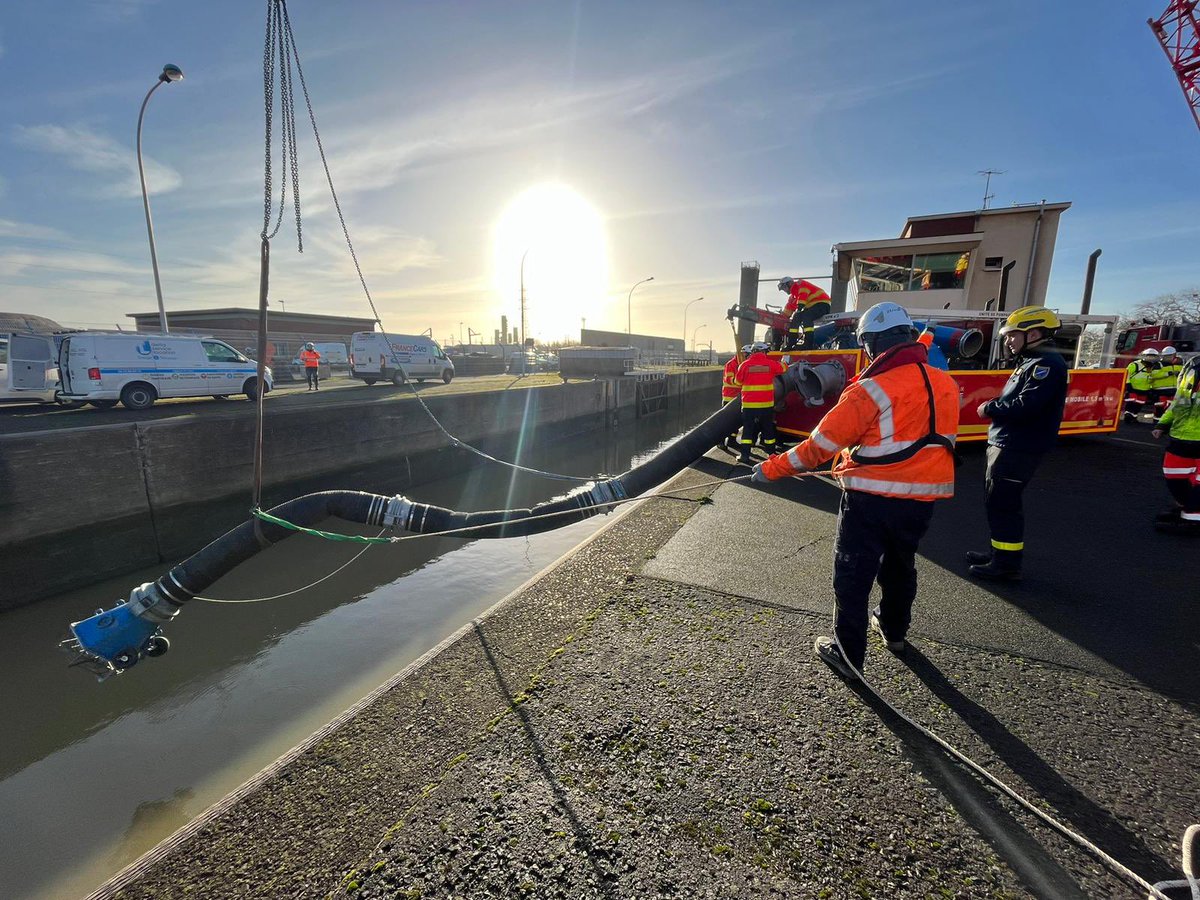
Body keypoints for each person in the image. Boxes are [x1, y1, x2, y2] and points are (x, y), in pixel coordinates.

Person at [752, 301, 960, 676]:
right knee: (901, 566)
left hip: (871, 499)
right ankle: (894, 633)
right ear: (909, 337)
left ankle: (848, 655)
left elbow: (819, 447)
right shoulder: (945, 382)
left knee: (852, 574)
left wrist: (771, 469)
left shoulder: (870, 389)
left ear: (869, 344)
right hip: (923, 499)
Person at [967, 306, 1068, 581]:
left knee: (1004, 504)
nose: (1009, 341)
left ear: (1033, 333)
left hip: (1018, 446)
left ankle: (1006, 566)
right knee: (997, 502)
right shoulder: (1033, 361)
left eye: (1013, 335)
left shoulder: (1046, 365)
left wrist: (991, 407)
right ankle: (999, 554)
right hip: (1009, 443)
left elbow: (1027, 405)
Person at [1151, 357, 1200, 535]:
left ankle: (1193, 519)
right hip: (1180, 437)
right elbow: (1180, 401)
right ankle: (1187, 508)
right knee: (1174, 474)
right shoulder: (1194, 364)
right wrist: (1162, 424)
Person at [735, 341, 786, 465]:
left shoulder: (744, 365)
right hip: (766, 405)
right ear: (763, 352)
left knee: (747, 430)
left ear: (752, 351)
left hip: (749, 406)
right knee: (768, 430)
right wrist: (785, 359)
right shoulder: (770, 364)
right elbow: (783, 368)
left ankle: (745, 455)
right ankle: (771, 455)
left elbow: (737, 382)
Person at [778, 277, 832, 350]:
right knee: (796, 318)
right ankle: (791, 344)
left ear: (790, 283)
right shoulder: (793, 296)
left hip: (822, 304)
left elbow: (803, 296)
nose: (785, 290)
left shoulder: (801, 284)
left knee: (807, 317)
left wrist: (800, 308)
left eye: (784, 287)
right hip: (811, 308)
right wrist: (781, 317)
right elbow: (789, 308)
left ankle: (808, 344)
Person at [718, 347, 745, 452]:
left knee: (735, 421)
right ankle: (720, 441)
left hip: (739, 397)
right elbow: (729, 379)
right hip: (729, 397)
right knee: (725, 421)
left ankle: (732, 440)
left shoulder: (743, 364)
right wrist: (741, 380)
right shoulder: (731, 364)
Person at [1124, 348, 1159, 422]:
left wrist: (1152, 389)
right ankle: (1128, 416)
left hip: (1145, 390)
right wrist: (1128, 384)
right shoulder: (1135, 365)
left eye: (1153, 357)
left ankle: (1134, 417)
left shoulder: (1155, 367)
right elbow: (1126, 374)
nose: (1151, 359)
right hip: (1133, 388)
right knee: (1131, 403)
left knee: (1139, 405)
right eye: (1149, 356)